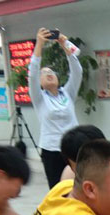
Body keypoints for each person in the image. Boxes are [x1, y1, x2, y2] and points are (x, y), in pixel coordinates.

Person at [29, 27, 82, 189]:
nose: (49, 73)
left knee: (78, 185)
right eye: (44, 73)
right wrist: (39, 44)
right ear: (39, 82)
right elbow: (32, 73)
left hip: (73, 148)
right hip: (51, 150)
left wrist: (64, 44)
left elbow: (77, 71)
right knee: (57, 188)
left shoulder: (68, 93)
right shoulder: (40, 98)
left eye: (51, 72)